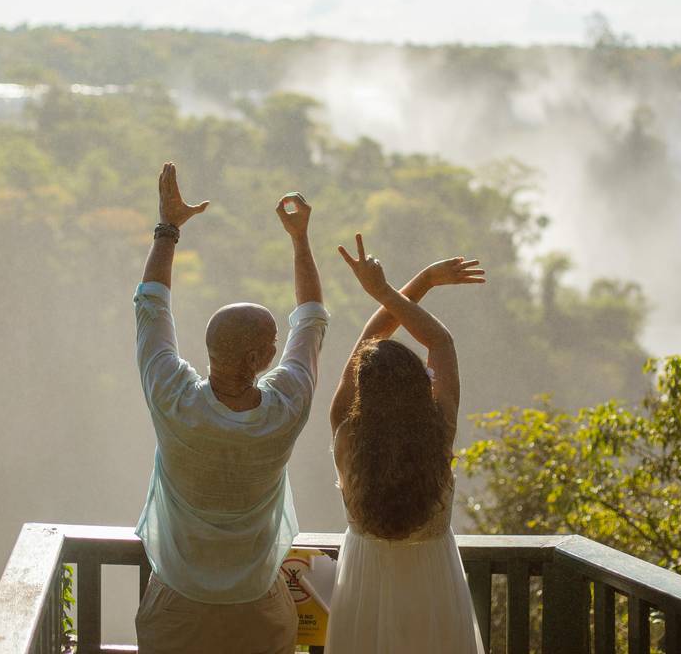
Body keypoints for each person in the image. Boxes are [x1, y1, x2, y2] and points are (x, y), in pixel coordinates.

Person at [133, 163, 328, 654]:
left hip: (177, 606)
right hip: (257, 609)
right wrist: (300, 240)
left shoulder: (173, 400)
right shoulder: (285, 410)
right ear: (261, 357)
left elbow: (151, 307)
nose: (279, 345)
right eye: (273, 341)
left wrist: (168, 228)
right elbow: (311, 321)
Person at [325, 233, 486, 654]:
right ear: (420, 384)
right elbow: (440, 342)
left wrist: (414, 283)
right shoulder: (439, 429)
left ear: (362, 390)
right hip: (433, 582)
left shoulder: (345, 431)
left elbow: (366, 344)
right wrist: (393, 289)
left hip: (365, 581)